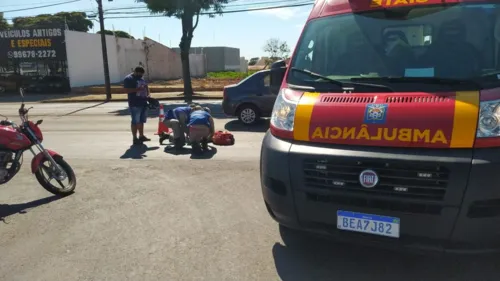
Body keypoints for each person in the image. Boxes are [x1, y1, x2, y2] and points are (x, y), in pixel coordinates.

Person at [124, 66, 150, 145]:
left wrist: (148, 94)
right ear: (135, 72)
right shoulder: (128, 79)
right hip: (134, 103)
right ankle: (135, 138)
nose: (141, 76)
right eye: (139, 74)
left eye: (142, 74)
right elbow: (126, 90)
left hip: (143, 102)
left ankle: (141, 136)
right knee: (135, 121)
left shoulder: (141, 78)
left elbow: (146, 86)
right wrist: (137, 90)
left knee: (141, 121)